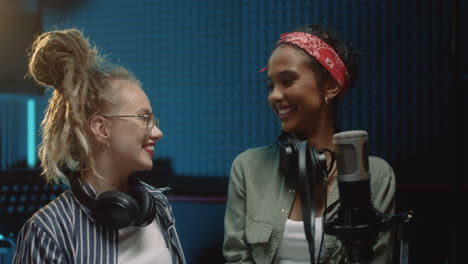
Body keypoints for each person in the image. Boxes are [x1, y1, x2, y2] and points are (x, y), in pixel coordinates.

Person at [223, 24, 395, 264]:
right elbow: (236, 257)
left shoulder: (375, 176)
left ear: (330, 86)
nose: (273, 96)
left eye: (288, 80)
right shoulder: (248, 168)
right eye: (270, 86)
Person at [13, 29, 185, 264]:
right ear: (101, 129)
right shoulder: (48, 231)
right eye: (144, 119)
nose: (157, 132)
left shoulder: (158, 205)